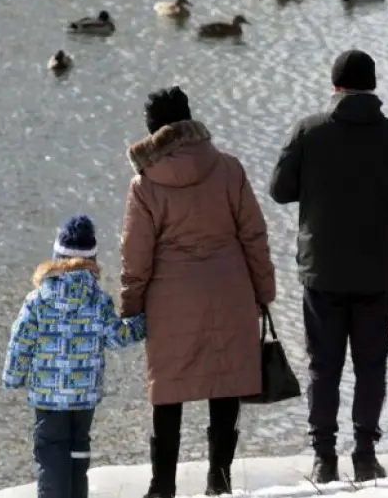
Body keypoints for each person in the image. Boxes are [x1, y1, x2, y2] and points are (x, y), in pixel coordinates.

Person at [269, 49, 388, 482]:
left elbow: (279, 191)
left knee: (324, 366)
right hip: (377, 271)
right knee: (371, 365)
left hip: (322, 269)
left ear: (335, 85)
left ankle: (323, 459)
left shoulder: (308, 131)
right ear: (373, 85)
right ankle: (364, 453)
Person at [119, 86, 277, 498]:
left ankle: (161, 486)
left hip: (170, 301)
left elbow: (136, 256)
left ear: (153, 130)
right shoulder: (228, 168)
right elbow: (254, 236)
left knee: (168, 391)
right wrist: (264, 291)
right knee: (224, 383)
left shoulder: (144, 184)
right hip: (231, 291)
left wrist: (131, 305)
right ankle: (218, 481)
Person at [2, 214, 147, 498]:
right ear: (92, 259)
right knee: (78, 454)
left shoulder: (38, 300)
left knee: (50, 455)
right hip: (83, 396)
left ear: (56, 256)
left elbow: (20, 342)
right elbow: (118, 336)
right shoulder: (98, 300)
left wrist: (13, 378)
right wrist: (146, 321)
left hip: (47, 396)